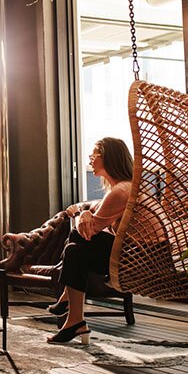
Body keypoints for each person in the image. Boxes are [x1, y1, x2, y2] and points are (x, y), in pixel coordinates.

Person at [46, 137, 134, 344]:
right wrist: (85, 213)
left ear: (109, 158)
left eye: (94, 156)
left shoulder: (120, 192)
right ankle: (74, 319)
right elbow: (94, 220)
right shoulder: (125, 188)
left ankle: (72, 313)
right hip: (134, 252)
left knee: (77, 242)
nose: (91, 161)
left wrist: (80, 214)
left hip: (135, 259)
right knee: (75, 250)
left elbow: (88, 231)